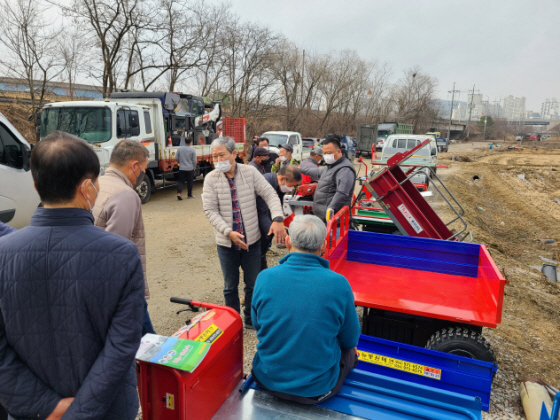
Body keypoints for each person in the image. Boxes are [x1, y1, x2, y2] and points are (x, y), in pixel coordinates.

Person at [0, 131, 144, 420]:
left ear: (35, 183)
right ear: (87, 188)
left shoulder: (4, 251)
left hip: (33, 412)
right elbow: (122, 345)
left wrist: (47, 406)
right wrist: (79, 411)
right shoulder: (122, 253)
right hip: (107, 409)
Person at [251, 214, 360, 404]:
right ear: (324, 246)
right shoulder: (339, 284)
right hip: (317, 389)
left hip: (267, 379)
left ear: (287, 241)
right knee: (350, 352)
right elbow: (350, 339)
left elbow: (257, 325)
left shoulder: (264, 277)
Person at [202, 136, 286, 329]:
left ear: (234, 154)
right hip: (227, 244)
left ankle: (250, 319)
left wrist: (278, 218)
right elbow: (210, 210)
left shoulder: (249, 173)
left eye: (221, 155)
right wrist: (227, 232)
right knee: (230, 286)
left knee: (252, 284)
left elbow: (269, 194)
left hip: (252, 242)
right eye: (214, 157)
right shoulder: (210, 179)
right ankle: (232, 322)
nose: (217, 160)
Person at [92, 139, 155, 337]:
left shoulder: (97, 184)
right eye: (144, 169)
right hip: (122, 288)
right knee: (148, 343)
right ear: (134, 166)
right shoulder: (125, 195)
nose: (142, 175)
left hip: (96, 279)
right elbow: (117, 249)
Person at [300, 135, 356, 223]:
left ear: (339, 151)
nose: (326, 156)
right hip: (323, 219)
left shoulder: (344, 169)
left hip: (334, 222)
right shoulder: (330, 166)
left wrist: (331, 209)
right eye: (324, 153)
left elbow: (342, 193)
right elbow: (316, 171)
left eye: (329, 153)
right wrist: (299, 169)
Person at [256, 164, 302, 270]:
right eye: (291, 185)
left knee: (260, 258)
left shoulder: (279, 186)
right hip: (257, 229)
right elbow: (262, 213)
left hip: (267, 227)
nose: (290, 189)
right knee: (256, 260)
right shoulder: (265, 184)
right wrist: (279, 233)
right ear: (282, 178)